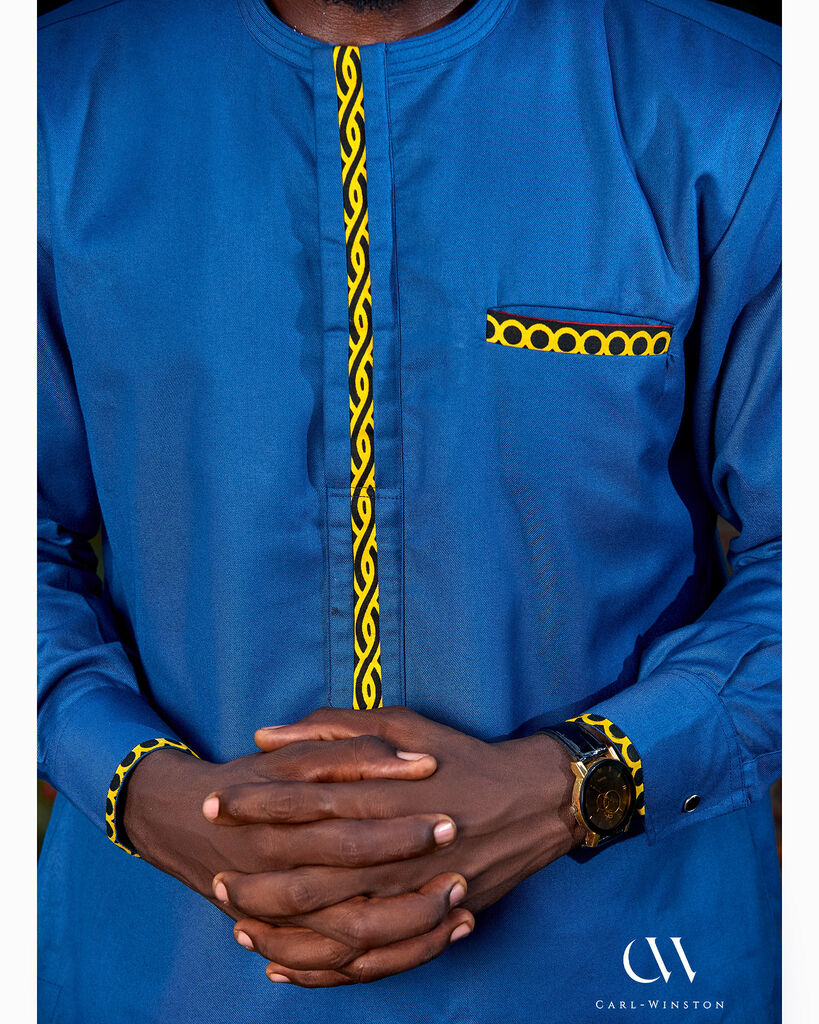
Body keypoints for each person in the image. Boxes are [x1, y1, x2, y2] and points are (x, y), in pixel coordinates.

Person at [37, 0, 781, 1020]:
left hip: (631, 971)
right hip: (166, 976)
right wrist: (152, 794)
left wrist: (580, 786)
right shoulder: (47, 99)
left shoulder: (740, 102)